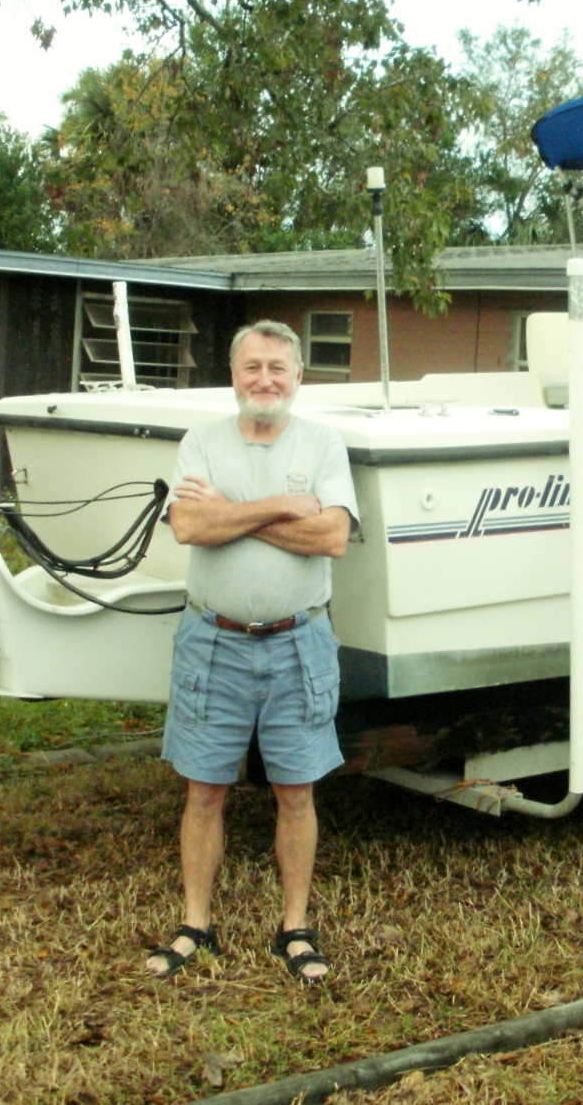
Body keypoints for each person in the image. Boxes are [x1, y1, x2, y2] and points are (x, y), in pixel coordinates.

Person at [144, 320, 357, 985]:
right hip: (214, 643)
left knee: (296, 792)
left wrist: (232, 514)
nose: (265, 379)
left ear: (298, 378)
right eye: (252, 367)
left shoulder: (323, 442)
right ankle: (194, 924)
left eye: (278, 368)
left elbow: (332, 539)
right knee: (204, 790)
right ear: (233, 375)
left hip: (300, 643)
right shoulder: (200, 441)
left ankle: (295, 927)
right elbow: (187, 525)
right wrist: (280, 508)